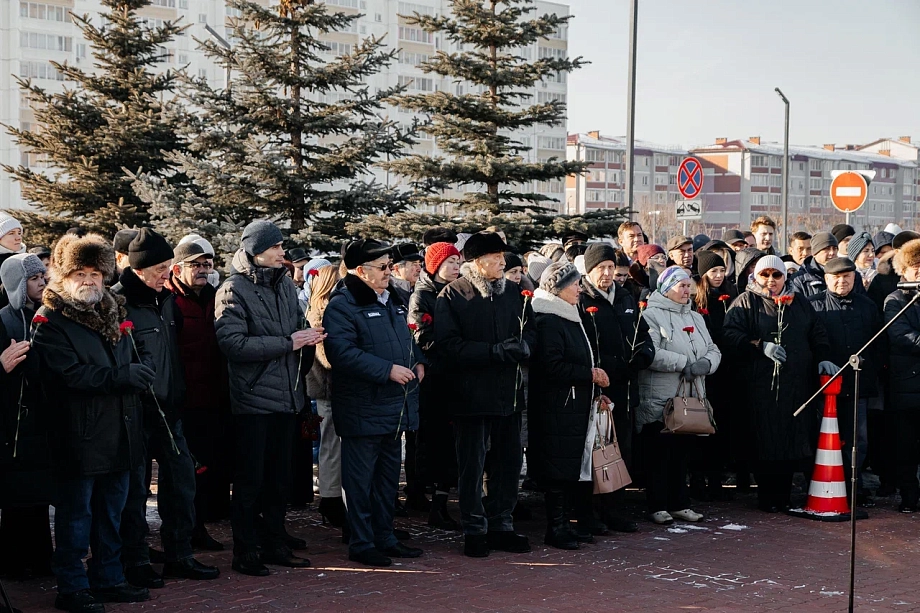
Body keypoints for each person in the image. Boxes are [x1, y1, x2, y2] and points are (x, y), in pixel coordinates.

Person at [33, 233, 150, 613]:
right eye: (80, 273)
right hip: (78, 435)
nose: (89, 280)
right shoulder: (51, 319)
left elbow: (129, 356)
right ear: (64, 278)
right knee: (76, 516)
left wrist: (139, 369)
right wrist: (122, 377)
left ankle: (109, 577)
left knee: (111, 514)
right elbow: (68, 376)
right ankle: (72, 586)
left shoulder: (114, 310)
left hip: (119, 431)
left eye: (96, 273)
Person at [215, 220, 323, 576]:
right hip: (252, 402)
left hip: (287, 398)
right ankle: (245, 550)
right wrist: (289, 343)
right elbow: (232, 344)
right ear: (256, 250)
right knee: (250, 481)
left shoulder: (284, 287)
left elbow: (295, 328)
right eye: (276, 247)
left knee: (279, 480)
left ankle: (276, 541)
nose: (282, 253)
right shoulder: (233, 289)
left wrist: (309, 338)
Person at [113, 229, 219, 587]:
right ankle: (136, 560)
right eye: (161, 266)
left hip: (171, 409)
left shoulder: (166, 301)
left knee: (181, 482)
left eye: (169, 265)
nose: (167, 272)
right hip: (135, 413)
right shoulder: (117, 303)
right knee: (135, 493)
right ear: (139, 268)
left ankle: (179, 555)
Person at [323, 239, 425, 567]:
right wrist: (387, 371)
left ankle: (385, 536)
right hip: (363, 406)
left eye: (389, 266)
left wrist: (418, 360)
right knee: (360, 481)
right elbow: (341, 353)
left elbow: (405, 339)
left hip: (394, 407)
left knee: (386, 480)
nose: (389, 272)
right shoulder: (343, 304)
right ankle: (361, 542)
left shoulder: (394, 298)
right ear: (360, 271)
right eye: (382, 267)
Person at [436, 232, 536, 558]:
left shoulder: (513, 295)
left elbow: (531, 329)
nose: (503, 263)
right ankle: (474, 528)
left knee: (508, 464)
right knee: (472, 467)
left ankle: (501, 525)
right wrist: (493, 352)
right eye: (496, 257)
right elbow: (449, 347)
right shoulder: (453, 295)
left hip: (508, 394)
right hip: (470, 397)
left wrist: (525, 346)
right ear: (478, 261)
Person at [723, 255, 832, 513]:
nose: (771, 281)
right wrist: (760, 346)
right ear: (756, 277)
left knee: (790, 439)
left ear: (785, 277)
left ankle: (783, 494)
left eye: (777, 275)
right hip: (759, 385)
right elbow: (730, 334)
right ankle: (766, 495)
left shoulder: (799, 302)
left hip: (795, 384)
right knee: (764, 439)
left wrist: (823, 357)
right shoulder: (746, 302)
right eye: (765, 275)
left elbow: (816, 332)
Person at [529, 262, 610, 549]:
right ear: (559, 288)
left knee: (569, 468)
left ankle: (566, 524)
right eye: (575, 284)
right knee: (557, 469)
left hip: (574, 404)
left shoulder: (569, 315)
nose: (579, 289)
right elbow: (550, 366)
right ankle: (556, 527)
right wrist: (588, 375)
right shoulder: (549, 319)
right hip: (557, 406)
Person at [578, 243, 653, 532]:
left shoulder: (625, 297)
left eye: (611, 268)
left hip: (625, 386)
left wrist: (644, 354)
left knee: (619, 450)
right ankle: (591, 511)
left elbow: (641, 332)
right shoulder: (582, 299)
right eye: (601, 268)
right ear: (590, 271)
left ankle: (614, 509)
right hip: (598, 388)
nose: (608, 273)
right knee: (595, 451)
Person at [637, 266, 719, 525]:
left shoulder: (696, 317)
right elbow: (651, 353)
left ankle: (680, 503)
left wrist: (706, 364)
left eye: (688, 285)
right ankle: (657, 504)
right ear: (667, 288)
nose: (687, 290)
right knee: (659, 453)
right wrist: (683, 362)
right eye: (681, 285)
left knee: (682, 452)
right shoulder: (650, 315)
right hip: (662, 397)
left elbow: (712, 348)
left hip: (691, 395)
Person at [165, 240, 230, 550]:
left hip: (212, 397)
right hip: (183, 400)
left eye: (207, 265)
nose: (204, 271)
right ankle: (185, 530)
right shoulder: (170, 302)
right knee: (183, 471)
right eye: (196, 265)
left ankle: (200, 523)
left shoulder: (213, 298)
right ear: (178, 269)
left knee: (207, 465)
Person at [809, 257, 882, 506]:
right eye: (836, 277)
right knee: (825, 435)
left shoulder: (868, 306)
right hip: (825, 385)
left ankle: (854, 484)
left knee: (858, 439)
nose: (842, 281)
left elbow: (878, 343)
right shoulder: (814, 306)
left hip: (858, 384)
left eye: (847, 276)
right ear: (827, 279)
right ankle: (825, 481)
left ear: (854, 278)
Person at [0, 254, 53, 578]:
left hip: (40, 419)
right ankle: (15, 563)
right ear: (19, 283)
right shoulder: (4, 321)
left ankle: (41, 558)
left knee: (39, 495)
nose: (42, 282)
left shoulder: (43, 317)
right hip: (13, 423)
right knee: (17, 497)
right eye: (34, 279)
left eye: (42, 276)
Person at [409, 242, 463, 530]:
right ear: (435, 265)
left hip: (456, 376)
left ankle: (440, 500)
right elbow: (421, 338)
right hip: (434, 378)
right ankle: (423, 495)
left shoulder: (461, 291)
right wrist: (455, 344)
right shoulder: (423, 296)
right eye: (450, 262)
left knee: (450, 442)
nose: (456, 267)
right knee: (433, 440)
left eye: (458, 261)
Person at [690, 250, 737, 501]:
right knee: (700, 424)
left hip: (725, 371)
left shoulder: (730, 295)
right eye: (713, 271)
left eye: (721, 270)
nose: (719, 276)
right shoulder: (698, 299)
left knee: (721, 425)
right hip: (705, 371)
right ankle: (698, 477)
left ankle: (716, 477)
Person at [305, 265, 346, 529]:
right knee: (331, 445)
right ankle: (330, 498)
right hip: (327, 389)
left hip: (326, 388)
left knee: (333, 445)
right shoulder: (321, 313)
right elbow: (326, 358)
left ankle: (332, 498)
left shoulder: (318, 309)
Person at [883, 238, 920, 513]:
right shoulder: (895, 299)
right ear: (903, 270)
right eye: (914, 267)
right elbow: (899, 335)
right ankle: (909, 497)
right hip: (905, 385)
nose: (919, 271)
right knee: (905, 447)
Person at [791, 232, 839, 298]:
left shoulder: (850, 275)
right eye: (827, 248)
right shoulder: (799, 279)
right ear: (815, 253)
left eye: (835, 248)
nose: (832, 252)